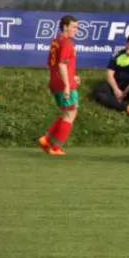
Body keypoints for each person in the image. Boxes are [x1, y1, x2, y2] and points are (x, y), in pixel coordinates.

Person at [38, 15, 81, 156]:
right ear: (65, 26)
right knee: (70, 113)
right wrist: (67, 85)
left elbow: (54, 64)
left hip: (56, 81)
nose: (76, 29)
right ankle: (56, 146)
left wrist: (71, 76)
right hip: (63, 83)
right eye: (74, 26)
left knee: (66, 113)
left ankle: (47, 141)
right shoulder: (67, 43)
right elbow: (62, 64)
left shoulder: (56, 41)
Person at [93, 34, 129, 118]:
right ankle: (125, 107)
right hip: (118, 85)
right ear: (126, 44)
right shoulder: (117, 54)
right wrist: (116, 90)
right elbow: (109, 74)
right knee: (100, 92)